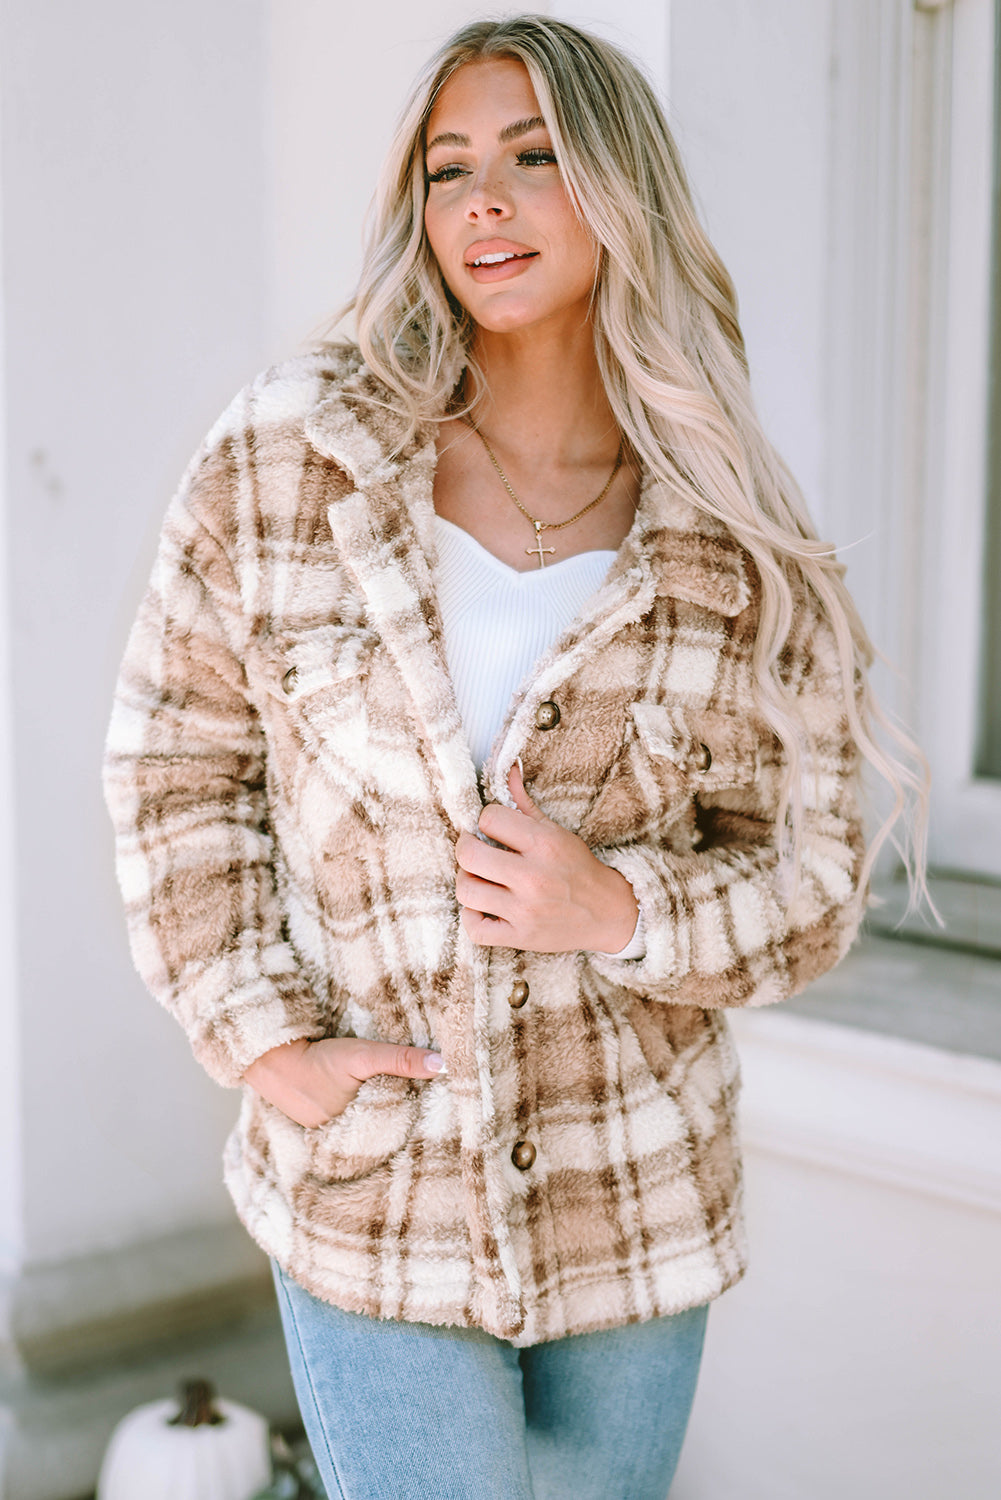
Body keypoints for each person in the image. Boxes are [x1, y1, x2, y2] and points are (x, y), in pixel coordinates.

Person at [103, 15, 927, 1499]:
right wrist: (262, 1037)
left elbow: (809, 875)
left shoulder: (726, 534)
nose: (482, 201)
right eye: (449, 167)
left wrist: (620, 910)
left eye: (534, 159)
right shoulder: (294, 456)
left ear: (620, 190)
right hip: (373, 1180)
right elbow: (177, 767)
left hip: (637, 1196)